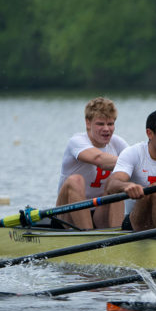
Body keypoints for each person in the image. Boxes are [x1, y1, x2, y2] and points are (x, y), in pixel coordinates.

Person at [54, 97, 129, 229]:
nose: (106, 129)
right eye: (100, 124)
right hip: (67, 214)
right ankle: (87, 235)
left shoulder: (118, 143)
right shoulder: (76, 142)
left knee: (116, 183)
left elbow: (138, 161)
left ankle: (117, 235)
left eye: (110, 124)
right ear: (88, 123)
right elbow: (98, 159)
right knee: (75, 180)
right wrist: (131, 164)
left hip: (99, 212)